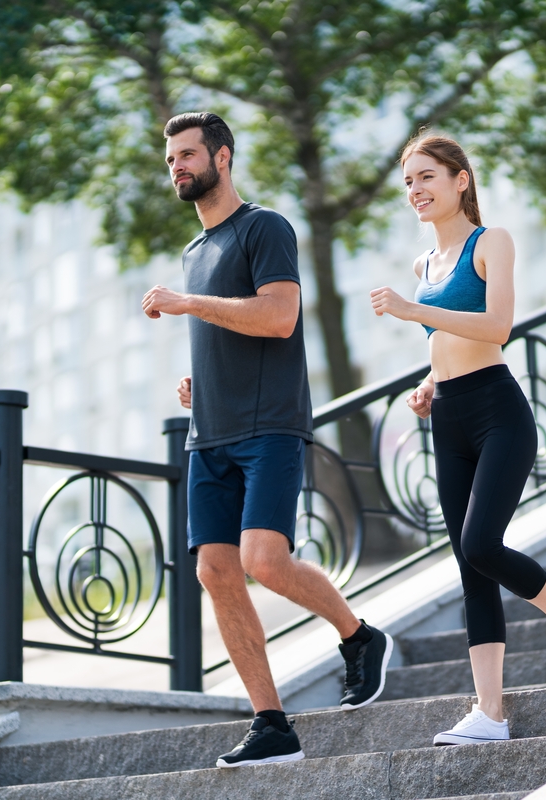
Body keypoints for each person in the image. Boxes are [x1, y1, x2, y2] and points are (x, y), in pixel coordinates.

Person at [142, 112, 393, 768]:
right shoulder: (195, 253)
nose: (177, 166)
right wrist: (204, 379)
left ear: (222, 157)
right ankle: (270, 723)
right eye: (171, 158)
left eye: (188, 154)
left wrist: (188, 305)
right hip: (210, 434)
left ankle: (358, 636)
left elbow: (278, 317)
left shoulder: (264, 227)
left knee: (263, 559)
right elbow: (234, 326)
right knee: (214, 570)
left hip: (270, 427)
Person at [369, 134, 546, 747]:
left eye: (427, 178)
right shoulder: (424, 265)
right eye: (409, 183)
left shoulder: (490, 241)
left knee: (481, 544)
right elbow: (450, 342)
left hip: (499, 411)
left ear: (460, 180)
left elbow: (497, 325)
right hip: (447, 415)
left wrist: (411, 312)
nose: (416, 191)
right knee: (469, 567)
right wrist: (427, 382)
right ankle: (490, 714)